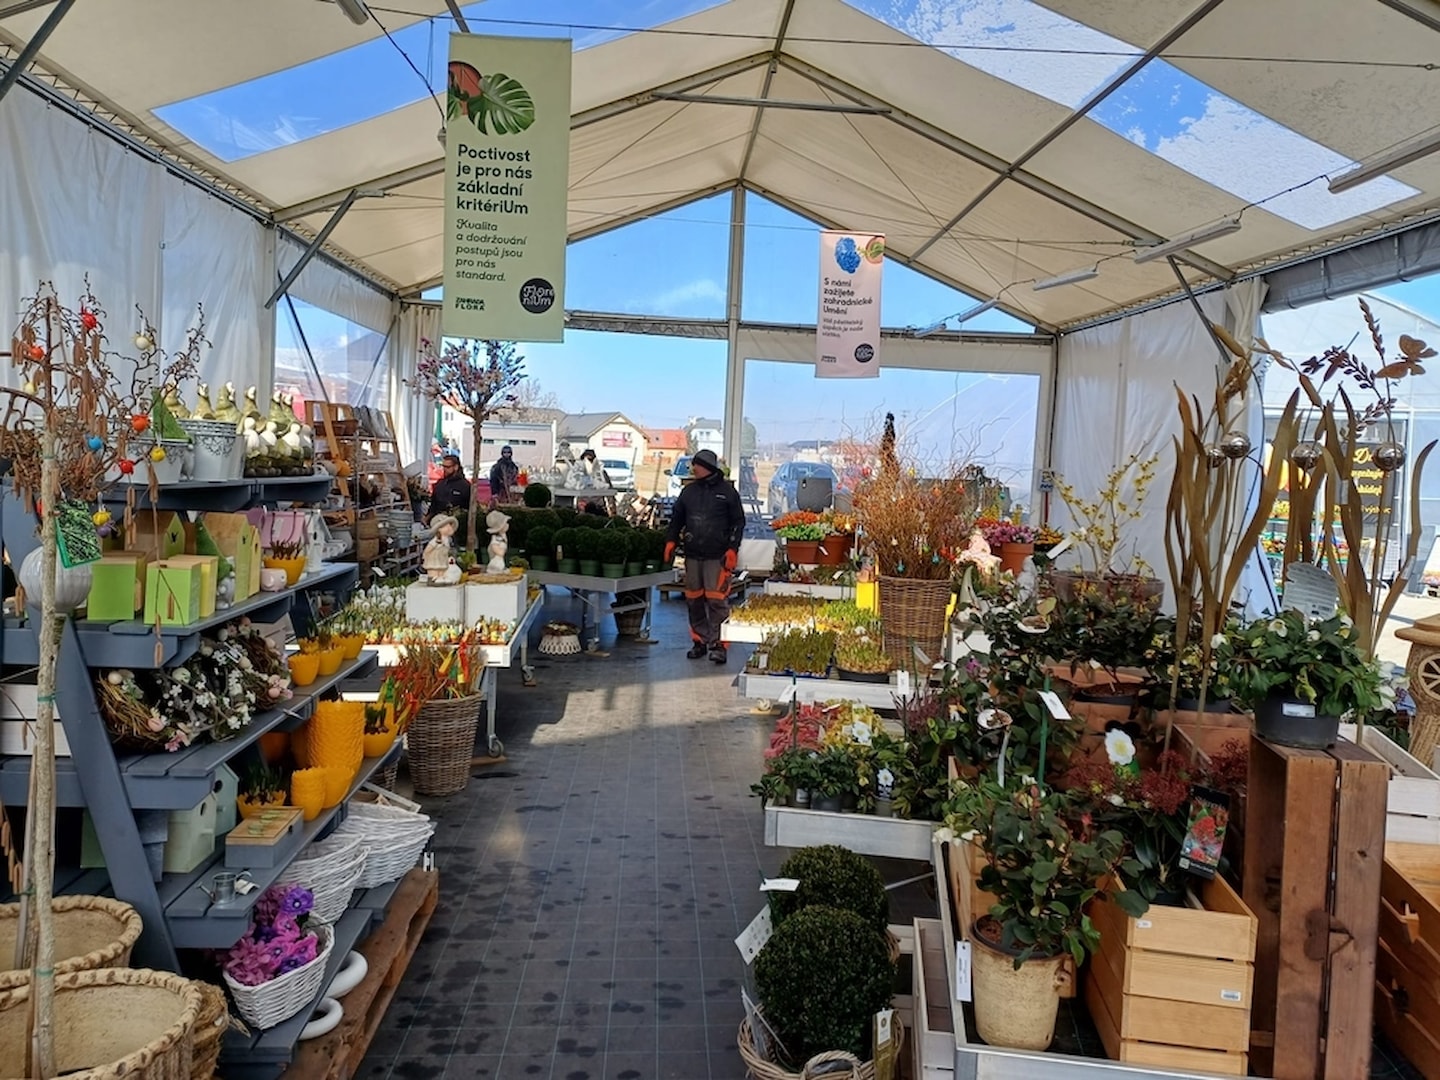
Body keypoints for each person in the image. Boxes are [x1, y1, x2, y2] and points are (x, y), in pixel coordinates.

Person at [665, 448, 745, 663]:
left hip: (716, 556)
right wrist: (671, 540)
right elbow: (677, 518)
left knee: (717, 600)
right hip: (693, 555)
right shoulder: (689, 492)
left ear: (707, 467)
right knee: (694, 600)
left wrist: (732, 549)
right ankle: (699, 640)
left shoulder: (727, 493)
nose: (693, 468)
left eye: (697, 464)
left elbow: (739, 522)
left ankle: (720, 645)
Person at [428, 450, 471, 523]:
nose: (444, 469)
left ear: (456, 467)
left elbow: (470, 508)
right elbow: (433, 506)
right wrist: (427, 518)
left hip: (458, 523)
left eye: (447, 467)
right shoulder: (440, 484)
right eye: (443, 466)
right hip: (438, 522)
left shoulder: (465, 486)